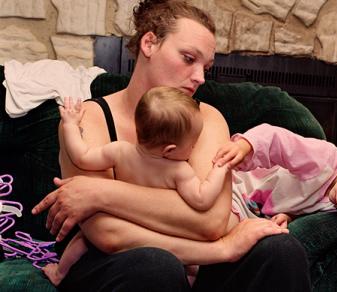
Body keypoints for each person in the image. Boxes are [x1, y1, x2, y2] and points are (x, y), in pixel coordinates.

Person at [31, 1, 310, 291]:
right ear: (149, 43)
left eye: (207, 67)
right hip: (114, 265)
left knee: (280, 249)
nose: (200, 77)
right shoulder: (90, 118)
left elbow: (211, 222)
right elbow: (107, 233)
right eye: (189, 58)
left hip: (196, 266)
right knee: (155, 265)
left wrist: (101, 192)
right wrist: (222, 248)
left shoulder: (208, 119)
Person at [42, 87, 230, 285]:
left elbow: (82, 157)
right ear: (170, 149)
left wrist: (70, 126)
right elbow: (202, 199)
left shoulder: (120, 151)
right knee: (191, 266)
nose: (193, 148)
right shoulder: (179, 171)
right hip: (160, 230)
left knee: (82, 241)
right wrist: (220, 169)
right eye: (192, 144)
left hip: (125, 222)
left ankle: (59, 274)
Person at [213, 123, 337, 234]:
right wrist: (245, 146)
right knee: (217, 221)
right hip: (242, 184)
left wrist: (291, 216)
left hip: (253, 210)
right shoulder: (324, 160)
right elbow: (277, 140)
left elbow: (307, 208)